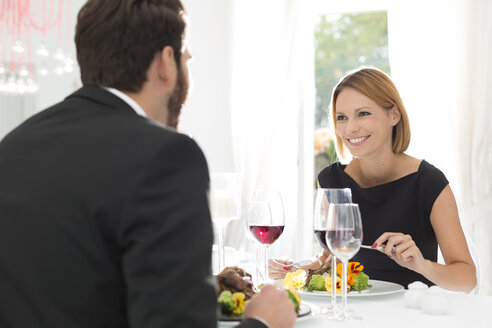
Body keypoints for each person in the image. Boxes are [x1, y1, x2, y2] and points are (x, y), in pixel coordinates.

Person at [0, 1, 296, 328]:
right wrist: (263, 323)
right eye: (187, 60)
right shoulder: (167, 156)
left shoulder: (12, 146)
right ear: (166, 63)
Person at [270, 67, 476, 293]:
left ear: (394, 115)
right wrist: (298, 271)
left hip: (413, 314)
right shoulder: (331, 180)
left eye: (363, 113)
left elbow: (467, 279)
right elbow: (333, 259)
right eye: (342, 117)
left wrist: (423, 265)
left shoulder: (428, 182)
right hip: (355, 313)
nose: (350, 128)